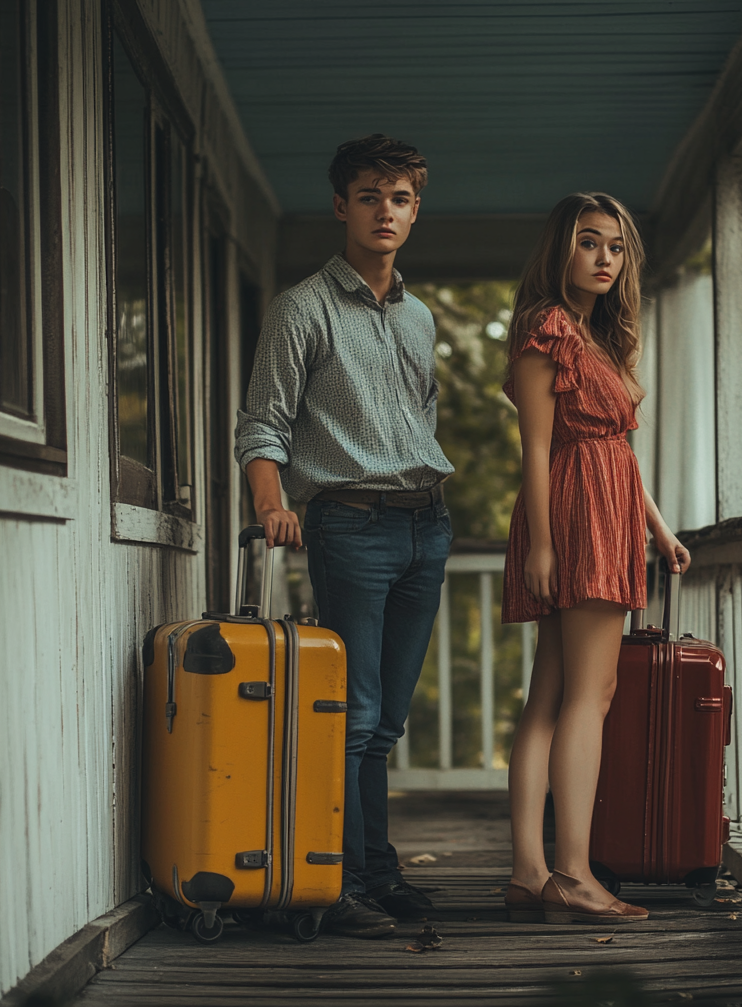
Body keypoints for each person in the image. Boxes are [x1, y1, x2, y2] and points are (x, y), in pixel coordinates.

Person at [234, 134, 454, 938]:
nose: (385, 211)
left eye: (399, 198)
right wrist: (271, 504)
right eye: (369, 196)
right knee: (353, 717)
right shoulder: (302, 309)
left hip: (426, 526)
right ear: (342, 205)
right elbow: (262, 424)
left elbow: (419, 420)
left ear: (414, 209)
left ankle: (377, 871)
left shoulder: (421, 317)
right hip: (349, 525)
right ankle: (340, 883)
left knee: (387, 720)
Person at [501, 192, 691, 924]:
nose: (605, 257)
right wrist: (545, 544)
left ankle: (529, 871)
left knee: (550, 697)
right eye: (590, 243)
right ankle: (574, 873)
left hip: (606, 508)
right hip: (576, 515)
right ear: (562, 250)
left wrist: (660, 527)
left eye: (615, 246)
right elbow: (540, 445)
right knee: (592, 694)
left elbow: (621, 453)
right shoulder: (550, 326)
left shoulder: (597, 335)